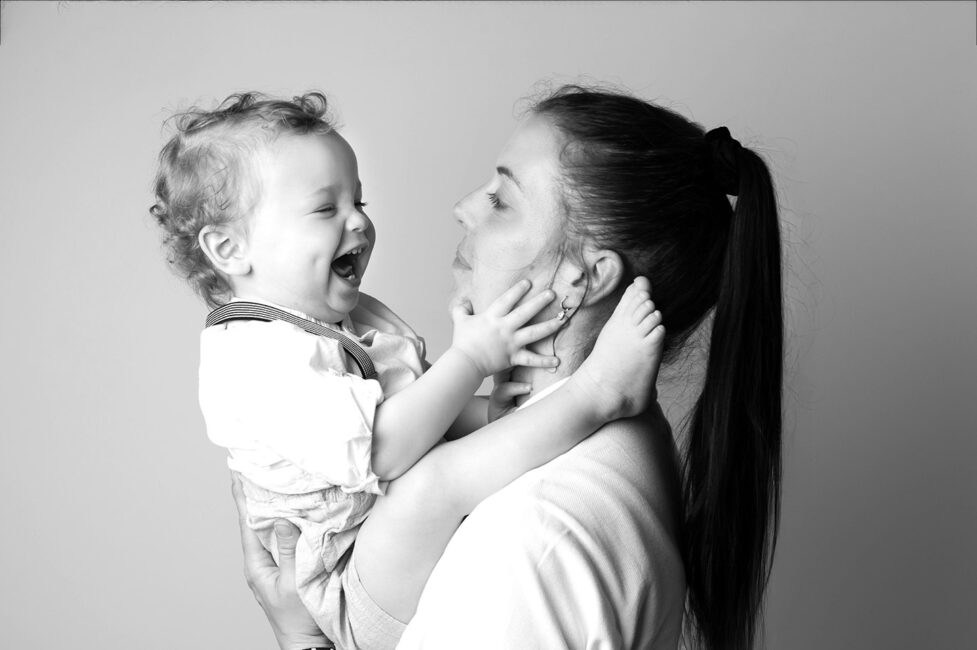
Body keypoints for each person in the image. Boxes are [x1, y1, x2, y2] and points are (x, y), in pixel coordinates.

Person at [236, 84, 784, 650]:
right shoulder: (632, 445)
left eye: (501, 200)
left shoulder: (530, 536)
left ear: (585, 278)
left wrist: (299, 637)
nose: (463, 207)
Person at [152, 92, 667, 650]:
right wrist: (470, 363)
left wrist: (483, 415)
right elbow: (386, 448)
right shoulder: (253, 360)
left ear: (584, 277)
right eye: (326, 209)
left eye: (360, 202)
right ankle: (597, 393)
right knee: (429, 487)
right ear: (229, 248)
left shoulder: (537, 535)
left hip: (362, 561)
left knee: (430, 483)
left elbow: (412, 410)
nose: (359, 223)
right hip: (340, 576)